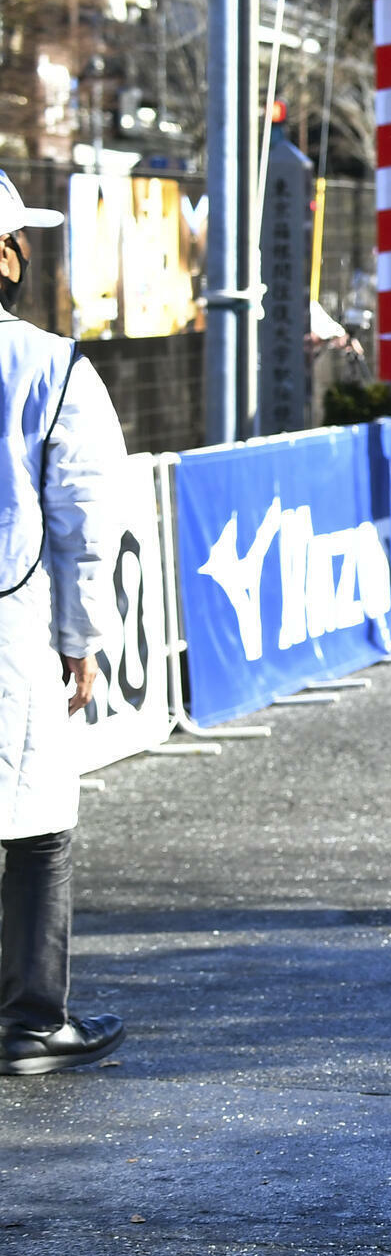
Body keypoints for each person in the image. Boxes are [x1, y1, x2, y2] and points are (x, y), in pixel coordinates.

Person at [0, 170, 127, 1076]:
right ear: (6, 255)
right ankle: (31, 1019)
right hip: (15, 624)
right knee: (36, 823)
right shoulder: (51, 365)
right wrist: (83, 639)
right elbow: (86, 517)